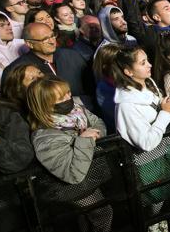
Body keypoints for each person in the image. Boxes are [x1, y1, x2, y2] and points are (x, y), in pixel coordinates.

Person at [26, 76, 112, 232]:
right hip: (72, 189)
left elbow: (98, 123)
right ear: (44, 104)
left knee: (87, 217)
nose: (68, 98)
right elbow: (73, 175)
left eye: (68, 93)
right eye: (61, 97)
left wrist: (95, 134)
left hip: (90, 179)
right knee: (103, 213)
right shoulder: (45, 137)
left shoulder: (77, 110)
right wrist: (84, 140)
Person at [112, 46, 170, 209]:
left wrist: (164, 105)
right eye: (143, 62)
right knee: (156, 202)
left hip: (164, 150)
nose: (149, 65)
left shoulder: (146, 86)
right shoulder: (126, 106)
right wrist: (165, 113)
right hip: (148, 162)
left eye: (148, 60)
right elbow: (145, 142)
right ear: (128, 72)